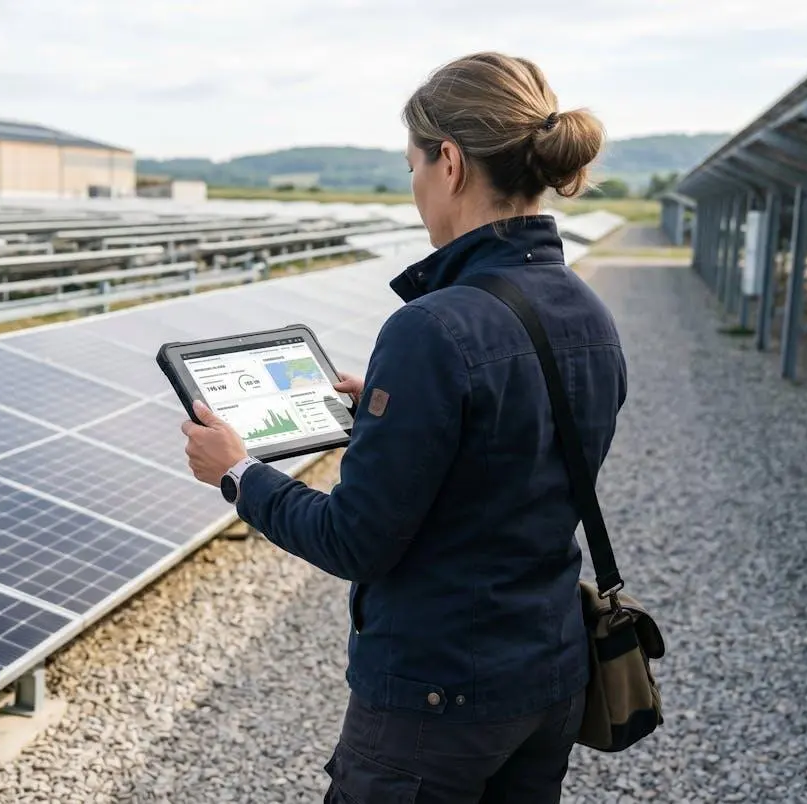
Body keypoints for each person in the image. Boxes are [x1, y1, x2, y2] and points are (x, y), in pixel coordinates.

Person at [180, 51, 627, 803]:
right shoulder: (589, 313)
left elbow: (354, 540)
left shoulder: (432, 328)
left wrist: (238, 473)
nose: (414, 187)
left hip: (435, 703)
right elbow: (512, 461)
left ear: (448, 162)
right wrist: (388, 422)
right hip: (548, 675)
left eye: (413, 164)